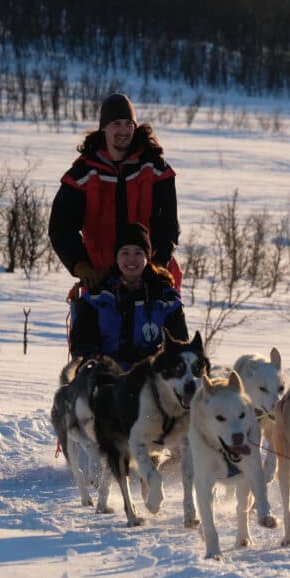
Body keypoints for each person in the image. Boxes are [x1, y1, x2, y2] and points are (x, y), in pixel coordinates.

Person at [50, 92, 181, 293]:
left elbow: (168, 223)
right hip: (101, 279)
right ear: (104, 127)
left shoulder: (155, 169)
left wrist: (159, 263)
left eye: (128, 123)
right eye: (116, 123)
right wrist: (80, 265)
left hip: (151, 275)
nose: (123, 130)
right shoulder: (83, 174)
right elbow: (61, 228)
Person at [68, 223, 188, 370]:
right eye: (125, 253)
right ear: (116, 257)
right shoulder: (97, 298)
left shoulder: (166, 298)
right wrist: (97, 361)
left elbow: (180, 346)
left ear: (147, 257)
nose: (131, 259)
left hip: (151, 378)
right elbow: (81, 345)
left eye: (138, 253)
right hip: (107, 378)